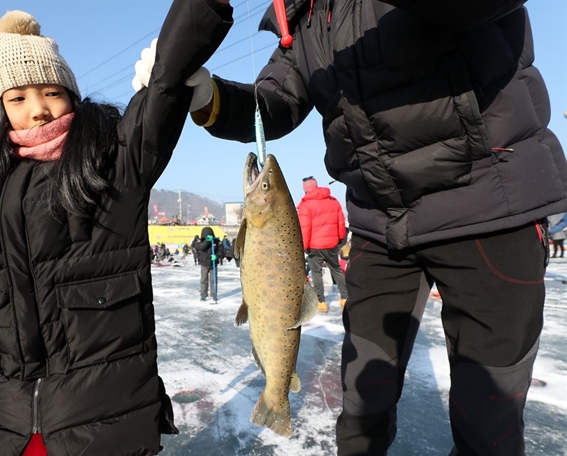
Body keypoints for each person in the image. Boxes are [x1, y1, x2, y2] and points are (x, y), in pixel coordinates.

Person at [189, 2, 567, 454]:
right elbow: (274, 100)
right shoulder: (302, 17)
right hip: (379, 226)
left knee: (490, 425)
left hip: (488, 204)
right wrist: (207, 96)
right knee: (361, 413)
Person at [0, 3, 232, 455]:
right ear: (1, 109)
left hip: (101, 410)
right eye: (17, 98)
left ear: (71, 95)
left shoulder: (114, 160)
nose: (38, 110)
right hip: (8, 409)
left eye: (51, 92)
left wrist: (190, 31)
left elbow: (160, 93)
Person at [296, 176, 348, 313]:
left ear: (305, 189)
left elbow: (304, 229)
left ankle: (321, 302)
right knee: (336, 269)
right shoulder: (333, 201)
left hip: (314, 246)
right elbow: (341, 222)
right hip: (331, 244)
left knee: (316, 273)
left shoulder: (306, 205)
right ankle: (345, 298)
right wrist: (341, 239)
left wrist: (304, 247)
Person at [196, 227, 220, 302]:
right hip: (204, 263)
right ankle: (203, 294)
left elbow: (220, 251)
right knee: (204, 279)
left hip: (213, 264)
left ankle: (214, 293)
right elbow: (201, 248)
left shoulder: (216, 242)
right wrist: (207, 241)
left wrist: (216, 256)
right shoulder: (201, 242)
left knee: (213, 279)